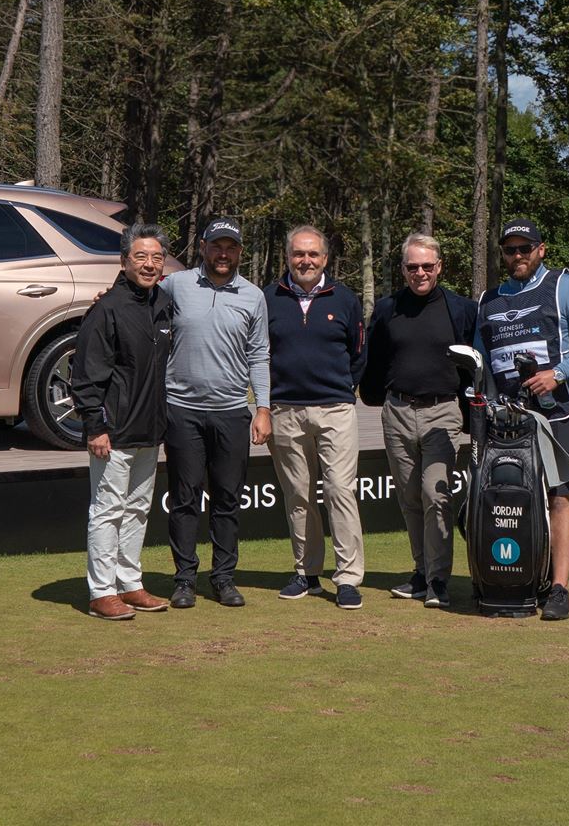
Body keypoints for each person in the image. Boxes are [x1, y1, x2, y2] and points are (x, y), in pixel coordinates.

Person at [475, 218, 569, 621]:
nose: (518, 256)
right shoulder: (488, 300)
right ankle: (515, 577)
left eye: (525, 248)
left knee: (559, 494)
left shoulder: (564, 285)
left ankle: (560, 587)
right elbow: (482, 359)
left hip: (559, 409)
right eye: (510, 250)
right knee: (510, 494)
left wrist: (557, 374)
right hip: (506, 416)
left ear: (541, 250)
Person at [360, 232, 478, 609]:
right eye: (413, 267)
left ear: (439, 266)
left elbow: (474, 364)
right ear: (403, 269)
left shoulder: (460, 309)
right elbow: (374, 359)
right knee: (410, 499)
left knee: (436, 495)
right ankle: (421, 573)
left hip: (443, 412)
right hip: (396, 411)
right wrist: (375, 397)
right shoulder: (386, 308)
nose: (420, 273)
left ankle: (439, 579)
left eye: (428, 266)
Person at [163, 218, 272, 610]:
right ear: (204, 247)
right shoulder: (176, 285)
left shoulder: (253, 295)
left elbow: (258, 354)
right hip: (182, 410)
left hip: (231, 412)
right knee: (184, 500)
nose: (223, 254)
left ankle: (224, 578)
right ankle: (184, 581)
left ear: (240, 252)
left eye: (231, 247)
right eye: (217, 246)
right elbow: (141, 310)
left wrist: (263, 408)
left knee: (227, 501)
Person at [71, 223, 177, 621]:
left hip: (150, 429)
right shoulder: (106, 309)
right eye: (141, 257)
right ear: (124, 261)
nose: (149, 264)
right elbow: (86, 375)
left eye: (156, 257)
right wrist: (94, 425)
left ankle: (129, 584)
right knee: (107, 510)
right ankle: (102, 591)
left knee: (137, 510)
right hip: (112, 431)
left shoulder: (164, 302)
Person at [264, 226, 368, 610]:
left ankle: (348, 578)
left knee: (340, 491)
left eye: (312, 254)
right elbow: (259, 352)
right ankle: (306, 572)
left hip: (336, 410)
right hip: (285, 410)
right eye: (298, 254)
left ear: (325, 258)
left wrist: (342, 388)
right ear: (287, 257)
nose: (305, 261)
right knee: (298, 496)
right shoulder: (269, 297)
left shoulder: (344, 298)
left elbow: (359, 352)